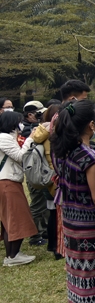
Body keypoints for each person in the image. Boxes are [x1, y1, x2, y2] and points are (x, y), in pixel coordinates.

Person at [50, 100, 95, 303]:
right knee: (91, 272)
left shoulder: (66, 150)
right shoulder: (88, 156)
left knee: (75, 271)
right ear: (91, 124)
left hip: (70, 220)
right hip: (89, 223)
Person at [0, 111, 37, 266]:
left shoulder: (8, 137)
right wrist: (31, 139)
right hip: (7, 182)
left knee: (10, 221)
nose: (20, 125)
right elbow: (21, 156)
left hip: (9, 181)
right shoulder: (4, 138)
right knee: (16, 219)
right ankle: (13, 256)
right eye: (18, 121)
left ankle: (12, 255)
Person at [31, 103, 62, 259]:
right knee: (59, 214)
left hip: (47, 178)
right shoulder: (57, 131)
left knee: (51, 212)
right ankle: (58, 247)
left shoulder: (41, 131)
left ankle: (52, 245)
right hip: (57, 177)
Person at [20, 101, 49, 246]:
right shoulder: (27, 131)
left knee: (43, 203)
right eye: (39, 114)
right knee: (37, 203)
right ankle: (34, 235)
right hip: (33, 172)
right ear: (30, 115)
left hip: (41, 170)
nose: (42, 117)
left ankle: (43, 230)